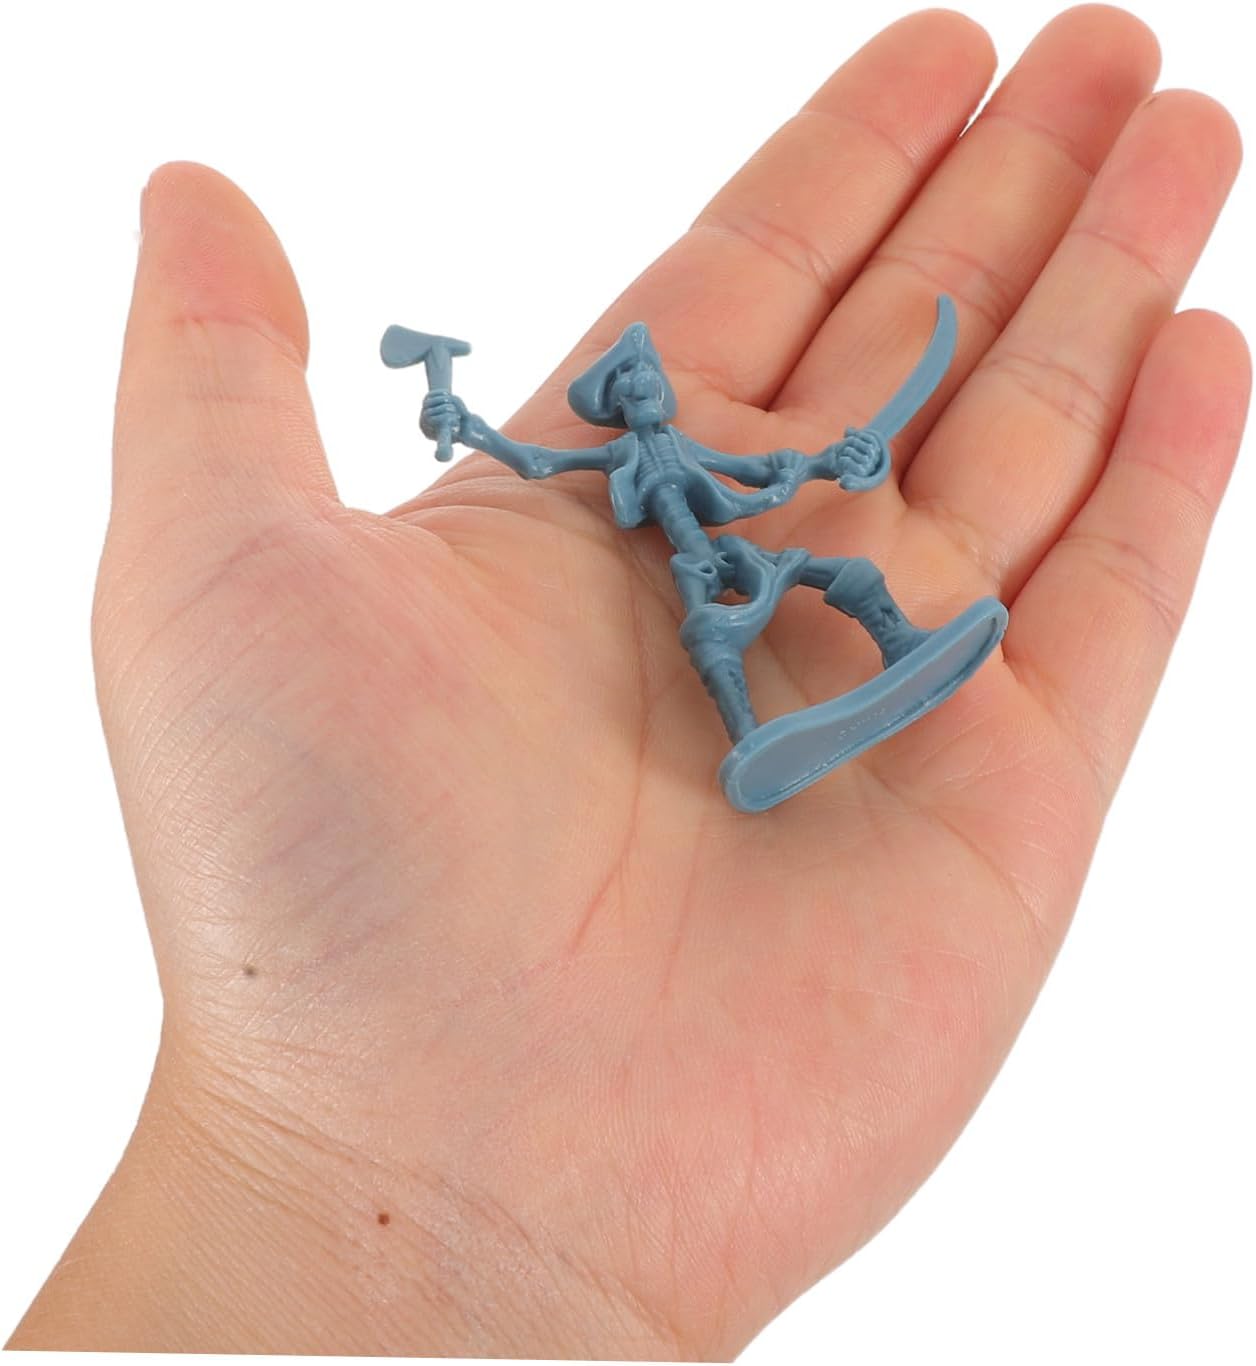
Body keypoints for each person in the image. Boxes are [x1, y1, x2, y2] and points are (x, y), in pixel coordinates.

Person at [7, 6, 1247, 1357]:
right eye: (639, 391)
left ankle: (903, 653)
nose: (651, 402)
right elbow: (534, 463)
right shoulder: (616, 460)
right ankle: (754, 733)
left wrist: (831, 463)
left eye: (653, 389)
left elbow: (756, 478)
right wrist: (464, 420)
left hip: (745, 547)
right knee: (719, 637)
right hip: (704, 586)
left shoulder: (688, 447)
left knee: (843, 573)